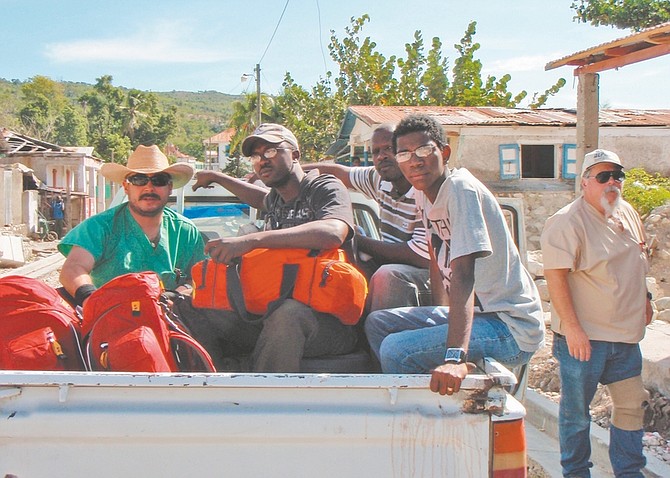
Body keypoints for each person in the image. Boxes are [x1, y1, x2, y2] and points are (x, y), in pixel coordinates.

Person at [364, 114, 545, 396]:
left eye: (424, 150)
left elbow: (462, 274)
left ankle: (418, 423)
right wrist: (441, 317)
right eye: (404, 154)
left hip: (509, 326)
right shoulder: (425, 193)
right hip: (481, 318)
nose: (415, 160)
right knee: (378, 324)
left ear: (444, 152)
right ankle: (410, 398)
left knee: (395, 349)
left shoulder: (461, 189)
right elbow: (438, 262)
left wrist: (454, 356)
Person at [179, 123, 358, 372]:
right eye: (256, 156)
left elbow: (333, 232)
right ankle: (208, 385)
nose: (262, 160)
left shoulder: (323, 187)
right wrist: (219, 177)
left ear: (295, 155)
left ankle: (261, 402)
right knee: (190, 305)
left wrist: (252, 241)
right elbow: (257, 197)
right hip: (270, 311)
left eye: (271, 152)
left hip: (327, 322)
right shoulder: (276, 200)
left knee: (288, 314)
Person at [541, 149, 652, 478]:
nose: (611, 183)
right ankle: (576, 473)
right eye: (602, 176)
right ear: (585, 182)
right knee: (576, 415)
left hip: (626, 337)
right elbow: (556, 278)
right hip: (585, 340)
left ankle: (629, 472)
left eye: (617, 176)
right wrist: (572, 330)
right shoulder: (565, 221)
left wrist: (646, 298)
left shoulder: (627, 212)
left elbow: (639, 259)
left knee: (634, 404)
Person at [303, 123, 431, 311]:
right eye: (375, 151)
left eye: (389, 148)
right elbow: (339, 172)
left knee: (387, 275)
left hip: (428, 279)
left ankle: (377, 335)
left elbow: (419, 256)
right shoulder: (379, 180)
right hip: (393, 267)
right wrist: (292, 172)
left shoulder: (426, 192)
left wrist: (354, 238)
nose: (381, 156)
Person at [58, 144, 205, 306]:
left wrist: (177, 295)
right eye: (139, 179)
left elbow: (200, 278)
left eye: (159, 180)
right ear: (126, 187)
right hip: (110, 322)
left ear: (169, 187)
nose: (149, 187)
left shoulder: (186, 231)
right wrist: (91, 299)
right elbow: (73, 269)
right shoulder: (99, 227)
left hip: (169, 324)